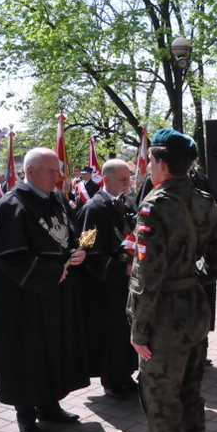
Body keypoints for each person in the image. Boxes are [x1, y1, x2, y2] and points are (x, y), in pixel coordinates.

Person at [127, 129, 217, 432]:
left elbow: (146, 276)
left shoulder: (154, 205)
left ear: (162, 164)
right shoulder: (204, 200)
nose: (148, 167)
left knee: (161, 400)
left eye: (151, 161)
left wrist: (139, 327)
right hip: (195, 309)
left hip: (164, 318)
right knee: (191, 395)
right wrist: (192, 278)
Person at [0, 148, 89, 432]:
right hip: (24, 299)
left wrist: (79, 250)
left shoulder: (57, 199)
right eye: (51, 171)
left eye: (58, 171)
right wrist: (48, 272)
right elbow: (7, 257)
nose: (58, 177)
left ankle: (50, 405)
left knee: (53, 348)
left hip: (55, 294)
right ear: (30, 172)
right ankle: (25, 414)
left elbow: (69, 233)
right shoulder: (11, 205)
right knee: (28, 353)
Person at [77, 159, 139, 400]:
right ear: (106, 179)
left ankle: (126, 373)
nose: (127, 183)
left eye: (128, 178)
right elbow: (88, 251)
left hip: (128, 281)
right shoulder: (93, 209)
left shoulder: (129, 203)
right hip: (106, 284)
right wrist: (119, 267)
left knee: (127, 330)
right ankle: (111, 380)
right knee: (110, 333)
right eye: (122, 179)